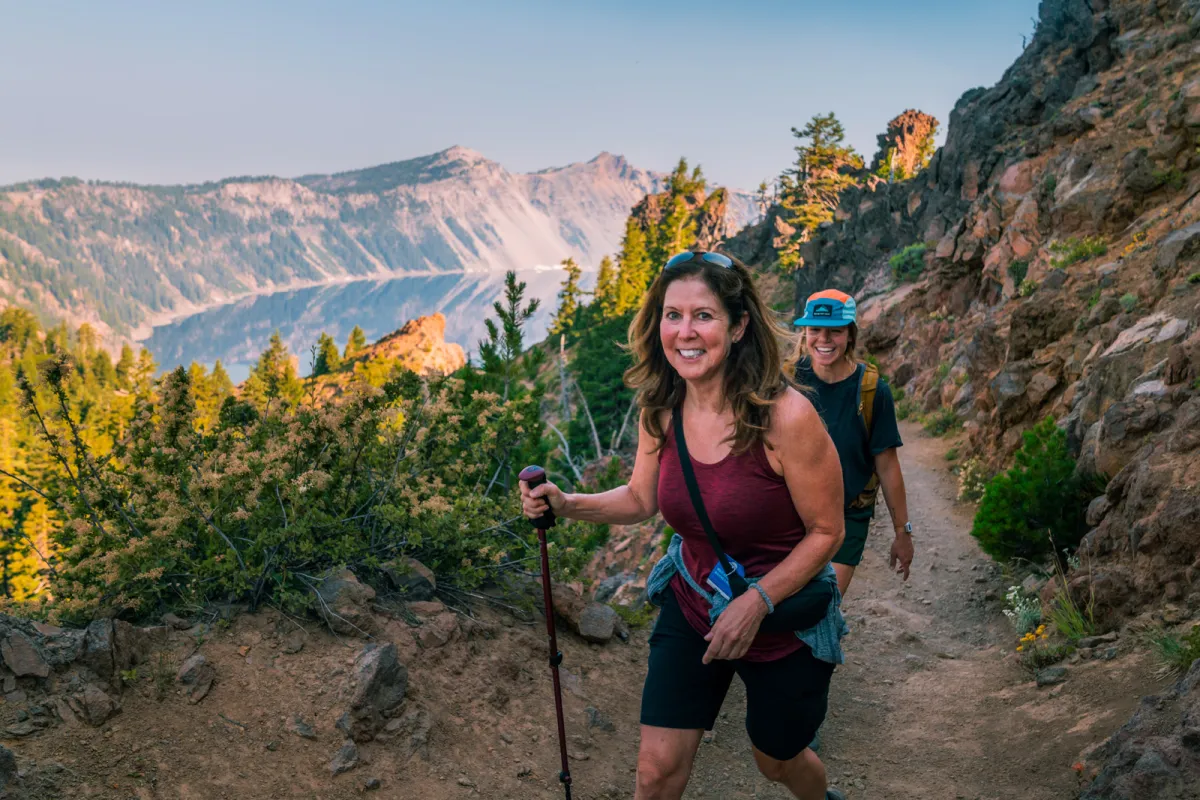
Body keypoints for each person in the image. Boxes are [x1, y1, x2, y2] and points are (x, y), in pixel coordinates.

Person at [521, 251, 848, 800]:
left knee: (777, 757)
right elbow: (639, 497)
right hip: (695, 600)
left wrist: (756, 602)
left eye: (703, 316)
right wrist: (565, 502)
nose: (684, 332)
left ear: (738, 325)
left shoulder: (786, 416)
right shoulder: (663, 408)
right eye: (672, 315)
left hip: (783, 620)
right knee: (656, 771)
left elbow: (827, 532)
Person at [791, 289, 913, 598]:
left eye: (835, 331)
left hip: (847, 517)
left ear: (850, 334)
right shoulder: (787, 382)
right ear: (805, 333)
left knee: (822, 607)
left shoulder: (872, 391)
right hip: (789, 512)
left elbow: (887, 466)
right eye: (815, 330)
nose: (824, 339)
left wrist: (902, 532)